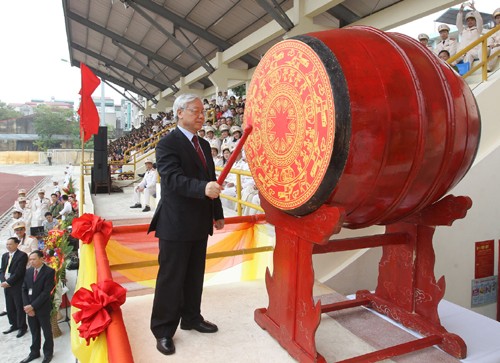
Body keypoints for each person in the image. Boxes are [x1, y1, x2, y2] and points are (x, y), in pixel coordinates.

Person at [148, 94, 225, 356]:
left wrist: (217, 213)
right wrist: (204, 188)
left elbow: (211, 179)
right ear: (179, 112)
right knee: (171, 279)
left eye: (203, 112)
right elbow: (173, 180)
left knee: (194, 275)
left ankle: (192, 317)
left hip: (199, 222)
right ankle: (163, 330)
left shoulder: (203, 144)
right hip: (176, 223)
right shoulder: (167, 143)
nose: (202, 116)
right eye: (196, 111)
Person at [21, 250, 55, 363]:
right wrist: (27, 306)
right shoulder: (28, 271)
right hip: (29, 308)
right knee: (34, 331)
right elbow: (24, 289)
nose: (32, 262)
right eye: (30, 259)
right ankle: (34, 352)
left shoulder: (49, 272)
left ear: (41, 259)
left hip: (42, 307)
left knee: (46, 331)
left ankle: (48, 353)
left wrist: (33, 306)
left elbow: (46, 292)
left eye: (34, 259)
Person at [0, 237, 28, 338]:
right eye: (7, 244)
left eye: (10, 244)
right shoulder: (4, 256)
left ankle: (22, 326)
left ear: (17, 244)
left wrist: (9, 281)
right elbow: (2, 270)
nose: (8, 246)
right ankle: (14, 324)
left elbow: (19, 272)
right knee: (9, 306)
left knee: (18, 306)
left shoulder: (22, 255)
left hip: (17, 284)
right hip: (7, 285)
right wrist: (3, 281)